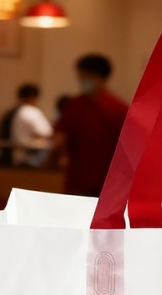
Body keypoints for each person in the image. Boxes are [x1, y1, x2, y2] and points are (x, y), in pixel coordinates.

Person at [51, 54, 129, 197]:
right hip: (106, 183)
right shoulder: (121, 107)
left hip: (85, 182)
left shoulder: (76, 106)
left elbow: (59, 140)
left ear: (100, 77)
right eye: (80, 76)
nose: (82, 80)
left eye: (85, 76)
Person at [9, 83, 53, 167]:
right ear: (34, 97)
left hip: (18, 157)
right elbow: (46, 134)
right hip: (32, 159)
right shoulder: (32, 112)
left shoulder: (17, 112)